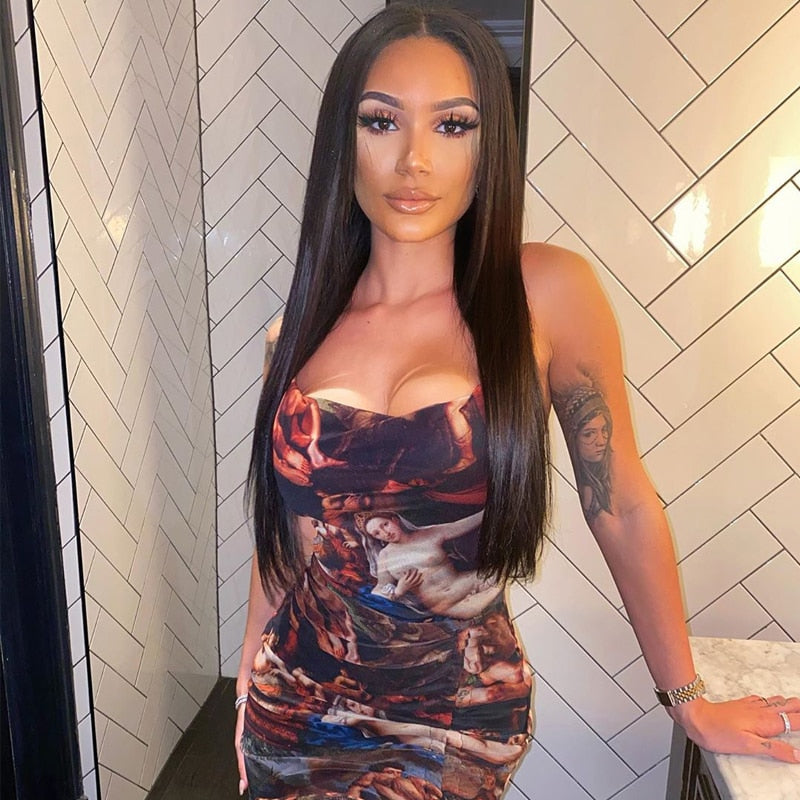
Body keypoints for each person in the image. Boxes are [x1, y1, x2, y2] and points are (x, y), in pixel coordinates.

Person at [235, 3, 800, 799]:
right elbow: (286, 537)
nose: (414, 160)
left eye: (452, 125)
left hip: (454, 715)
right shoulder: (297, 329)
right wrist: (247, 674)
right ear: (343, 141)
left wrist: (689, 702)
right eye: (381, 120)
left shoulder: (544, 292)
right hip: (294, 703)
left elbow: (620, 503)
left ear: (488, 145)